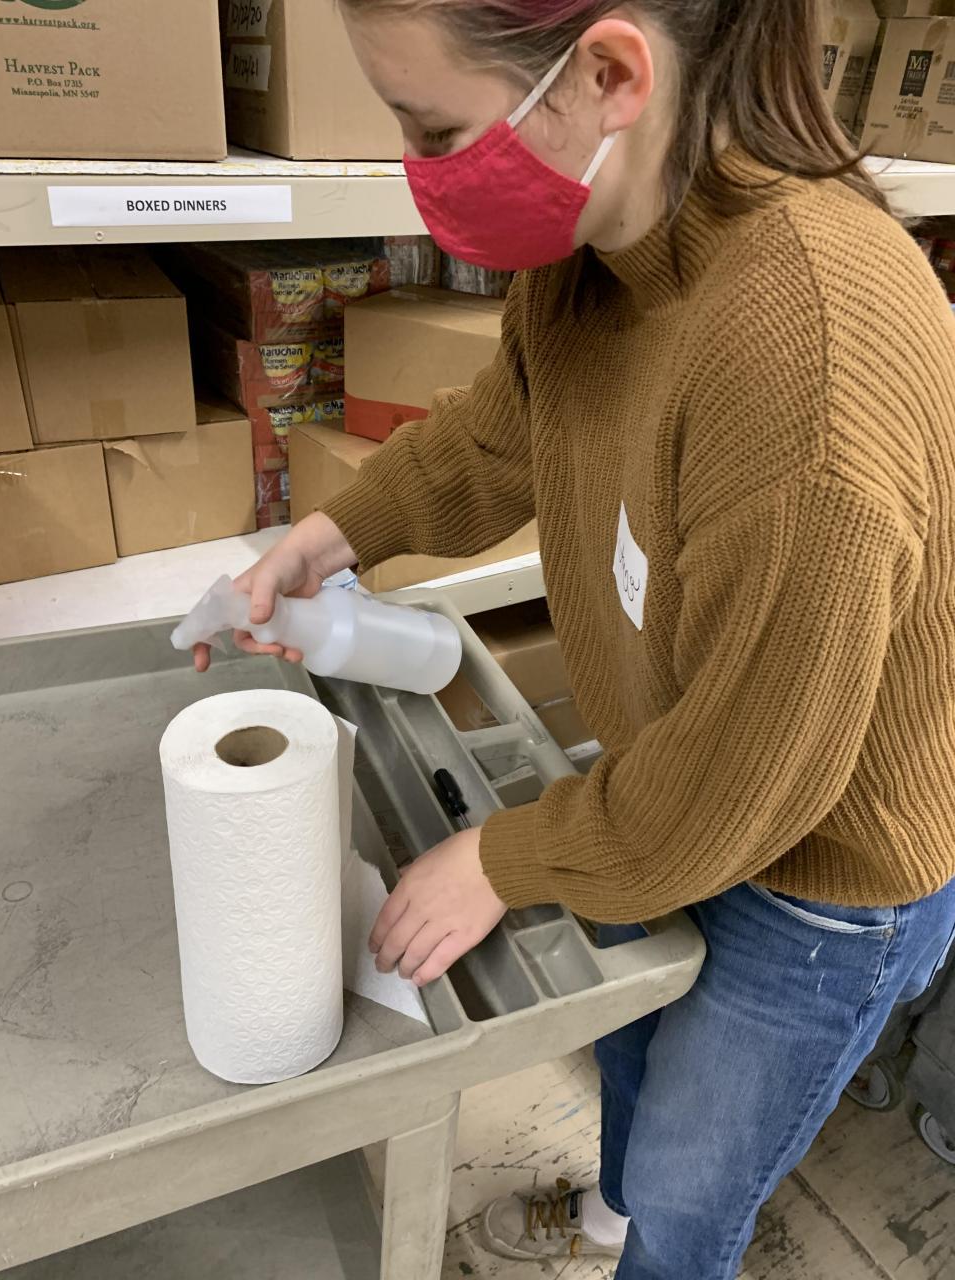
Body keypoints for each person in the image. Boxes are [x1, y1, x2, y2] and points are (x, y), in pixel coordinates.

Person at [193, 3, 955, 1276]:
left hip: (822, 870)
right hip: (681, 775)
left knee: (696, 1178)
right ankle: (609, 1209)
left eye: (436, 129)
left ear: (606, 74)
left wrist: (504, 858)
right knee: (632, 1043)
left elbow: (743, 780)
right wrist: (332, 534)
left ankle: (655, 1243)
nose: (420, 169)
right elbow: (508, 426)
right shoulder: (602, 242)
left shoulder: (804, 362)